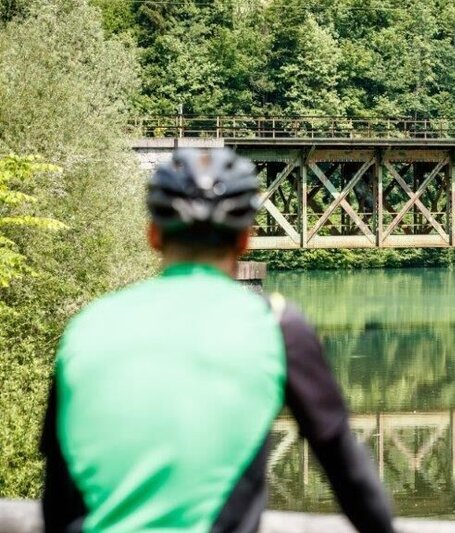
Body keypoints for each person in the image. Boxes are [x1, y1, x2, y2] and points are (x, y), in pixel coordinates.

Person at [40, 148, 395, 532]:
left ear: (153, 235)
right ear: (245, 240)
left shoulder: (88, 326)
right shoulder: (276, 325)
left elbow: (59, 500)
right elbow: (350, 476)